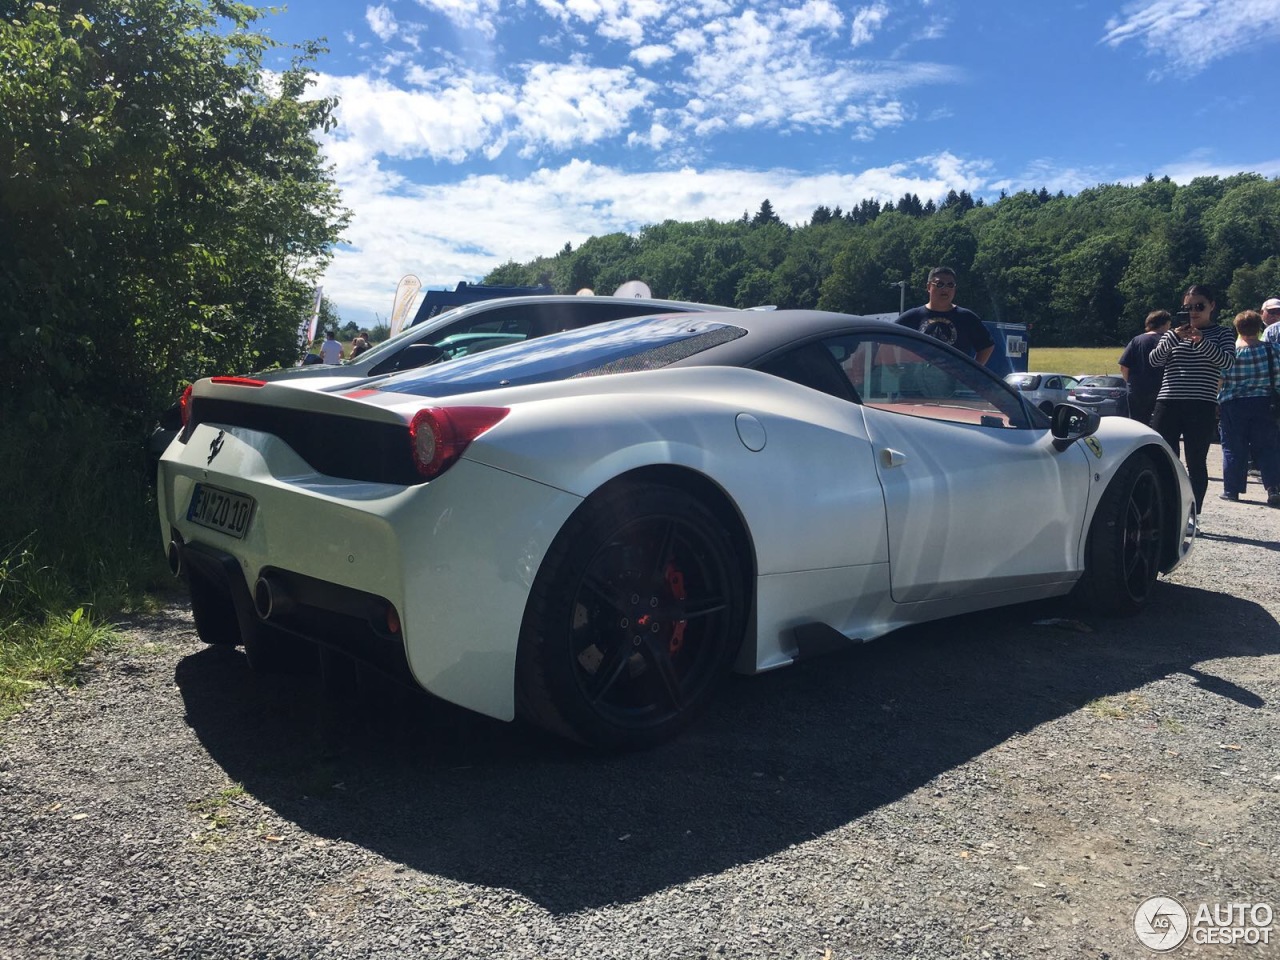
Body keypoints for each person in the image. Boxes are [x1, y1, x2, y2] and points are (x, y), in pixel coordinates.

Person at [1149, 284, 1236, 512]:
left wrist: (1202, 342)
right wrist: (1173, 338)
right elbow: (1154, 361)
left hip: (1201, 404)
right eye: (1188, 307)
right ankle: (1166, 511)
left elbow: (1227, 362)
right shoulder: (1171, 334)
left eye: (1199, 306)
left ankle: (1192, 514)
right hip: (1168, 401)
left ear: (1212, 306)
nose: (1194, 311)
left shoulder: (1223, 333)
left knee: (1196, 462)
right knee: (1164, 458)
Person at [1216, 310, 1280, 505]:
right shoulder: (1274, 349)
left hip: (1233, 404)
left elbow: (1219, 381)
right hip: (1265, 403)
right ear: (1260, 327)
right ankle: (1273, 488)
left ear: (1237, 329)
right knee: (1268, 447)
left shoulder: (1230, 354)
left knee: (1233, 447)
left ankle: (1232, 490)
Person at [895, 267, 995, 366]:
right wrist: (893, 369)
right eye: (940, 284)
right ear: (929, 287)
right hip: (918, 380)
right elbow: (887, 340)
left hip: (955, 380)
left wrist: (973, 371)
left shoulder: (967, 318)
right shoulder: (911, 317)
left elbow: (986, 346)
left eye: (950, 285)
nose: (945, 289)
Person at [1118, 309, 1171, 425]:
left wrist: (1131, 383)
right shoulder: (1169, 341)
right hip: (1162, 391)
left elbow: (1124, 367)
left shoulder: (1137, 340)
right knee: (1162, 425)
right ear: (1166, 323)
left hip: (1137, 390)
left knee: (1137, 425)